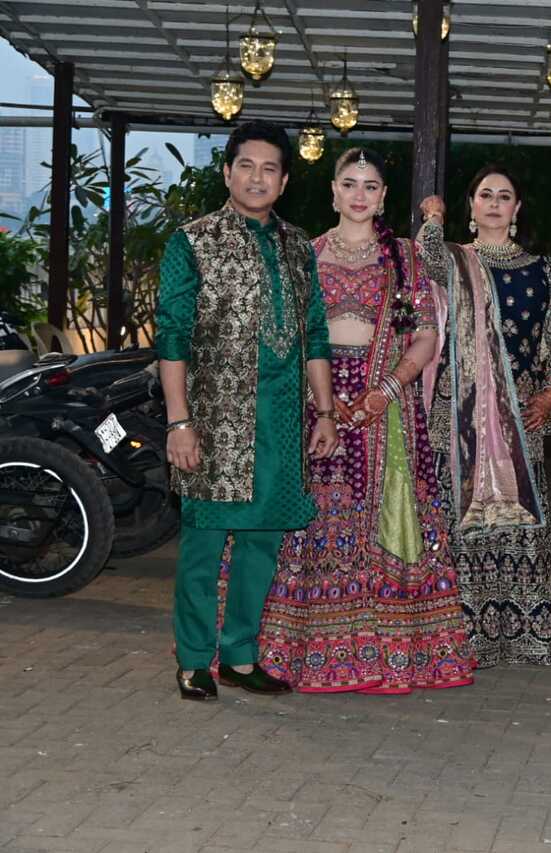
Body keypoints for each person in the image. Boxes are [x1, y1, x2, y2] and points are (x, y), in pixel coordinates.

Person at [245, 147, 475, 693]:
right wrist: (320, 397)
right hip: (314, 404)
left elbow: (426, 334)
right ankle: (297, 651)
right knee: (314, 525)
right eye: (349, 183)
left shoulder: (404, 258)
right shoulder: (306, 253)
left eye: (370, 186)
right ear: (332, 191)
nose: (359, 195)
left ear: (383, 197)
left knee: (383, 524)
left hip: (386, 407)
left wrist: (388, 389)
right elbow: (287, 336)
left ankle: (391, 652)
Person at [157, 120, 338, 701]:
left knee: (261, 544)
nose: (256, 177)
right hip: (212, 422)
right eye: (246, 166)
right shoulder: (193, 241)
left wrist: (326, 412)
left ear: (283, 181)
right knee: (204, 546)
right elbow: (173, 337)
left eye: (269, 169)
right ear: (227, 171)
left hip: (281, 421)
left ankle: (239, 657)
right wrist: (179, 422)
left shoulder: (297, 246)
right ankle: (192, 661)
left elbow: (313, 333)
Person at [415, 164, 551, 668]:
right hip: (458, 412)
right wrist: (433, 218)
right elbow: (426, 259)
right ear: (472, 206)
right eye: (485, 195)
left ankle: (521, 633)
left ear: (517, 208)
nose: (494, 203)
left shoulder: (539, 269)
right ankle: (458, 635)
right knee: (457, 517)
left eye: (505, 196)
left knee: (518, 519)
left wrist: (550, 394)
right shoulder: (458, 261)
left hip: (519, 416)